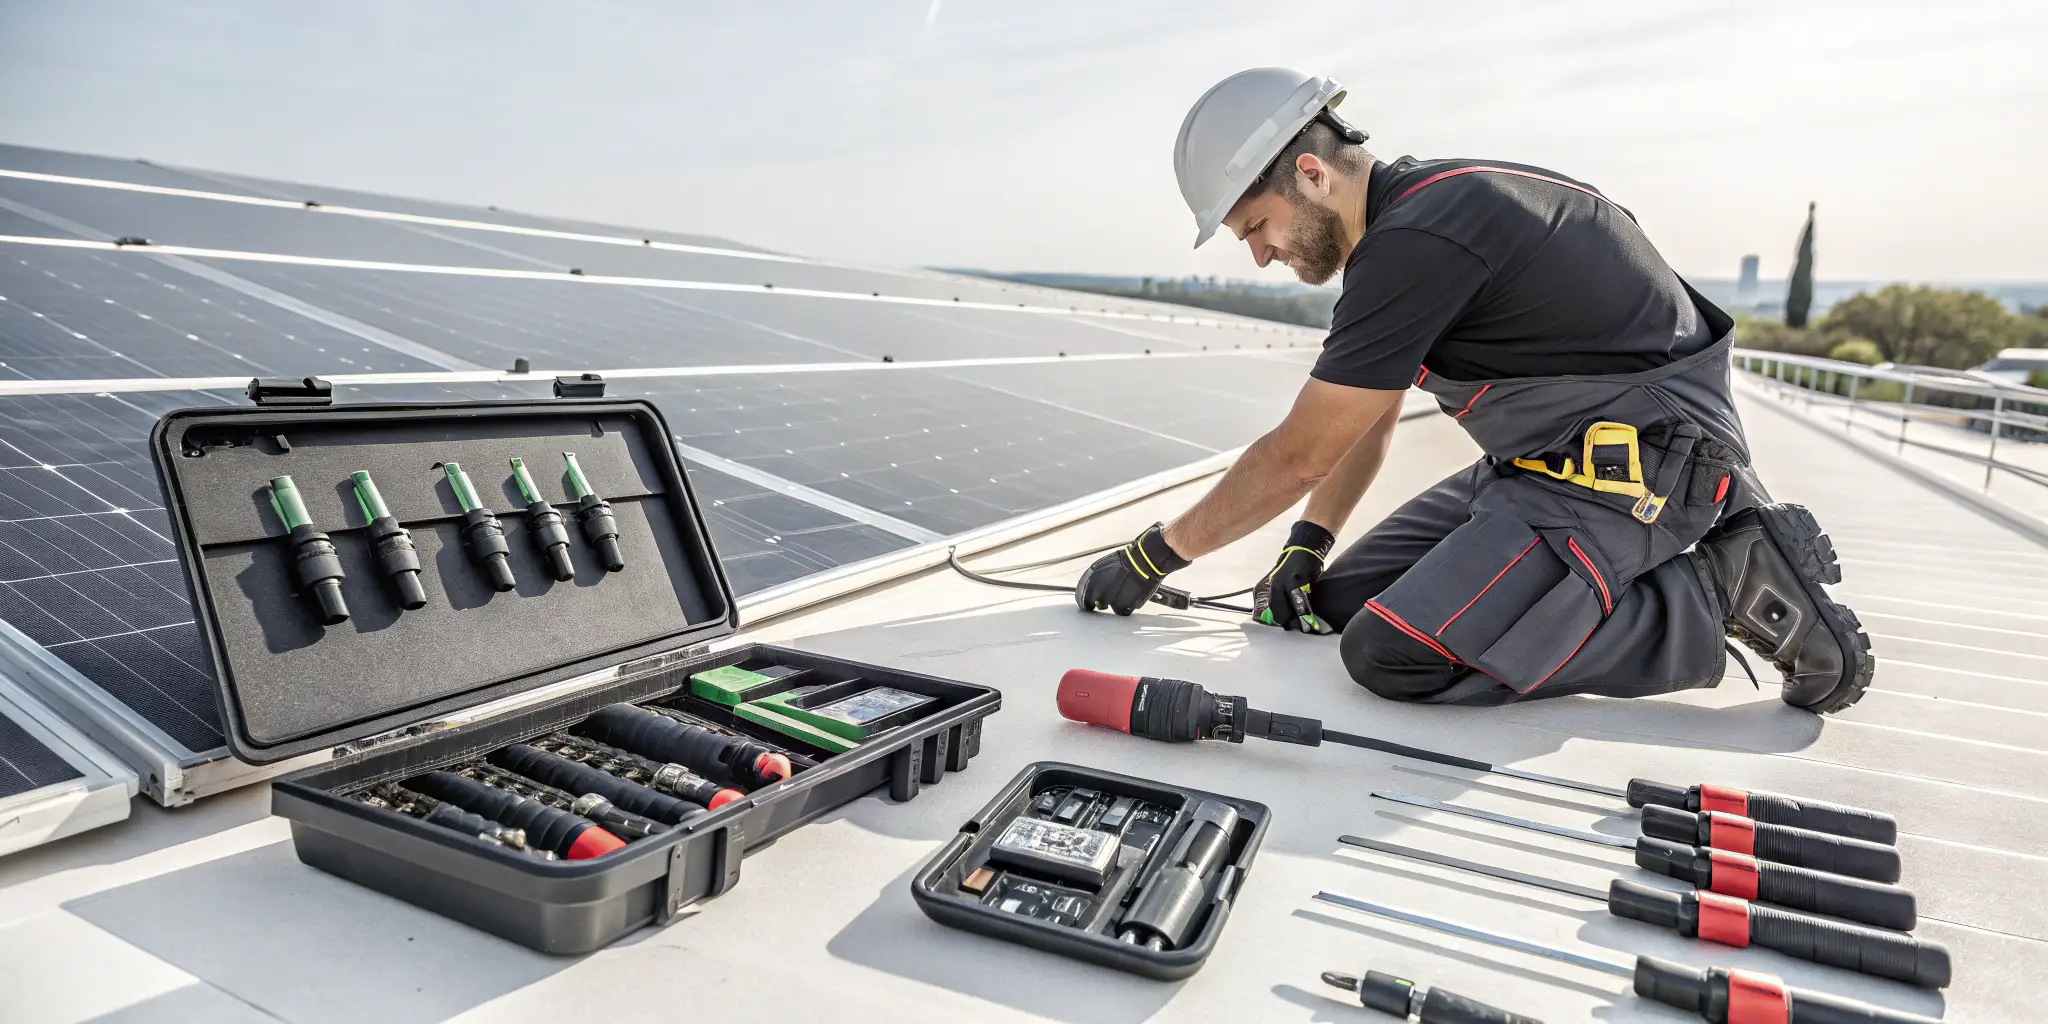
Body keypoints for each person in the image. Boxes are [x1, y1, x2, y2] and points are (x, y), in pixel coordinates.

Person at [1075, 68, 1873, 712]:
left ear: (1310, 175)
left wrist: (1157, 554)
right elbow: (1365, 419)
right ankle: (1610, 577)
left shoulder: (1418, 242)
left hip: (1644, 471)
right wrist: (1307, 545)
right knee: (1341, 598)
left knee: (1390, 652)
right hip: (1550, 462)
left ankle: (1716, 592)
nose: (1259, 256)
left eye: (1255, 228)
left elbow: (1299, 454)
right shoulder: (1419, 215)